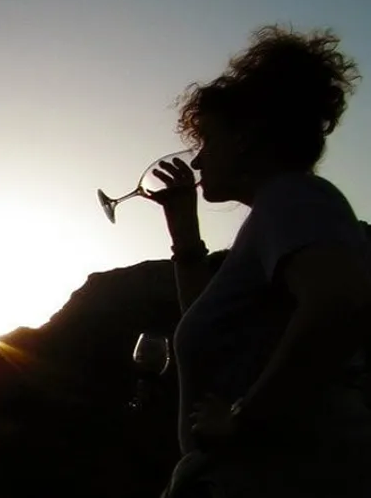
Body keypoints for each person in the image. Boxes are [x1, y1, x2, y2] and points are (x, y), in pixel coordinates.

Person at [151, 25, 371, 497]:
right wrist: (185, 237)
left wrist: (241, 419)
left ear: (248, 137)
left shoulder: (293, 197)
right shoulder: (280, 214)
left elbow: (339, 305)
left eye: (207, 139)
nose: (197, 161)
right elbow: (217, 333)